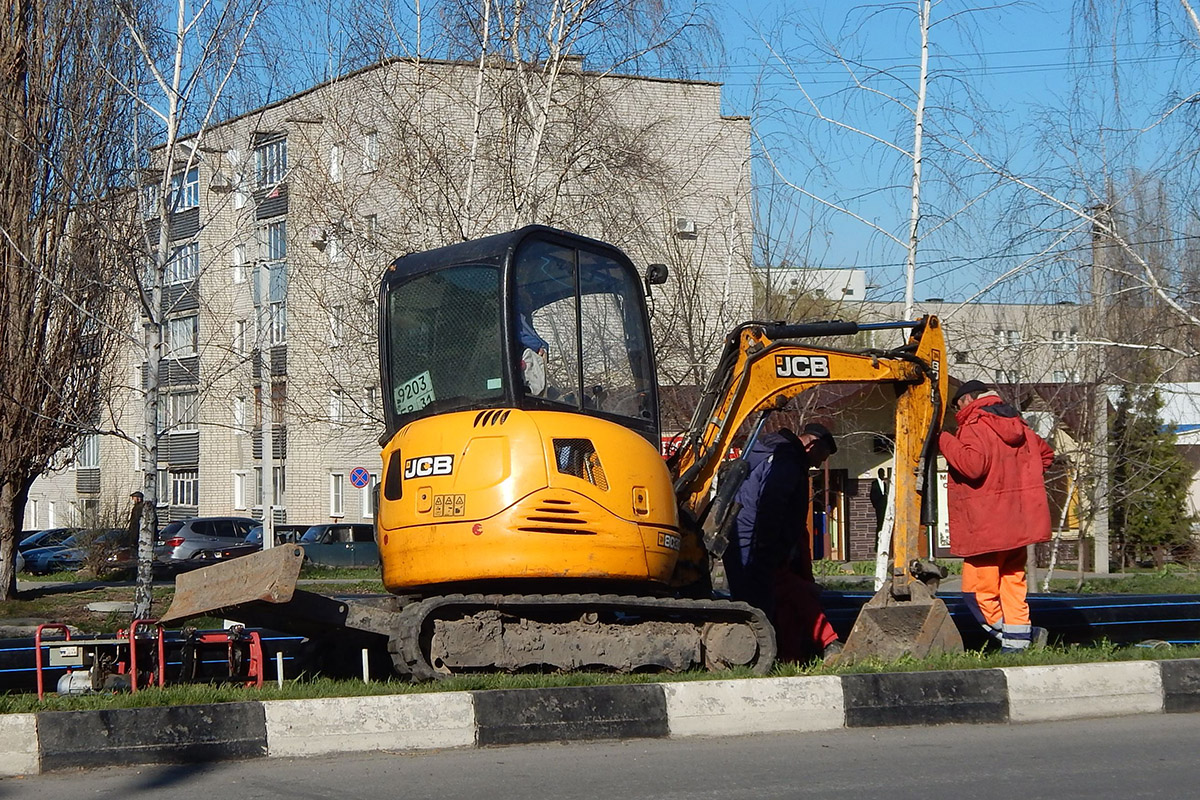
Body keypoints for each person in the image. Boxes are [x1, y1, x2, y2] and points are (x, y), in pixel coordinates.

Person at [938, 379, 1055, 652]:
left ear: (968, 400)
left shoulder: (974, 426)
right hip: (1018, 524)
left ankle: (1018, 639)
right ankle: (1018, 643)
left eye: (957, 405)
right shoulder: (1021, 426)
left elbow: (972, 466)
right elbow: (1046, 456)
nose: (958, 412)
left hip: (986, 526)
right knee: (1013, 583)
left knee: (977, 593)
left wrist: (944, 439)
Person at [722, 422, 842, 662]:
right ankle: (761, 658)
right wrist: (769, 548)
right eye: (820, 457)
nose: (817, 465)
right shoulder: (786, 460)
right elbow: (772, 504)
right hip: (756, 542)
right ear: (811, 445)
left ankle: (787, 657)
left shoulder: (763, 452)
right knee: (764, 603)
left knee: (770, 600)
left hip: (741, 537)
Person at [869, 467, 889, 533]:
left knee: (884, 520)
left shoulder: (884, 484)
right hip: (878, 505)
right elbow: (872, 495)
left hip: (884, 505)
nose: (883, 475)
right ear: (879, 474)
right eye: (882, 474)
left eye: (884, 474)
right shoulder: (874, 483)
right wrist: (875, 505)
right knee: (879, 521)